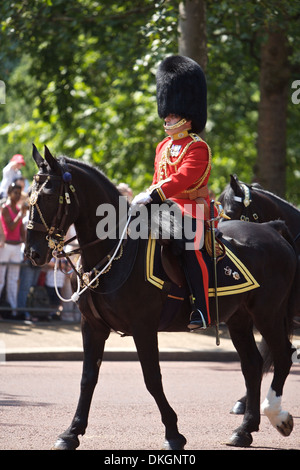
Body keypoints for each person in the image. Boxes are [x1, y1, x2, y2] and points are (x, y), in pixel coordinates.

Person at [132, 55, 215, 330]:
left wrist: (155, 195)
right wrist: (146, 196)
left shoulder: (198, 147)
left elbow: (183, 178)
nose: (168, 117)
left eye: (173, 113)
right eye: (167, 113)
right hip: (164, 208)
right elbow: (158, 179)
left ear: (187, 116)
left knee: (190, 246)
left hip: (192, 208)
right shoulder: (162, 146)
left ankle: (201, 309)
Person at [0, 183, 27, 318]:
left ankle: (13, 311)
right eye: (15, 192)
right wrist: (21, 215)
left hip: (16, 247)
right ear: (10, 193)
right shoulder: (5, 208)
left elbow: (21, 231)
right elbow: (10, 227)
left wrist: (26, 245)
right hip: (6, 247)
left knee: (13, 280)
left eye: (19, 193)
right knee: (1, 280)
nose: (17, 195)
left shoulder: (17, 209)